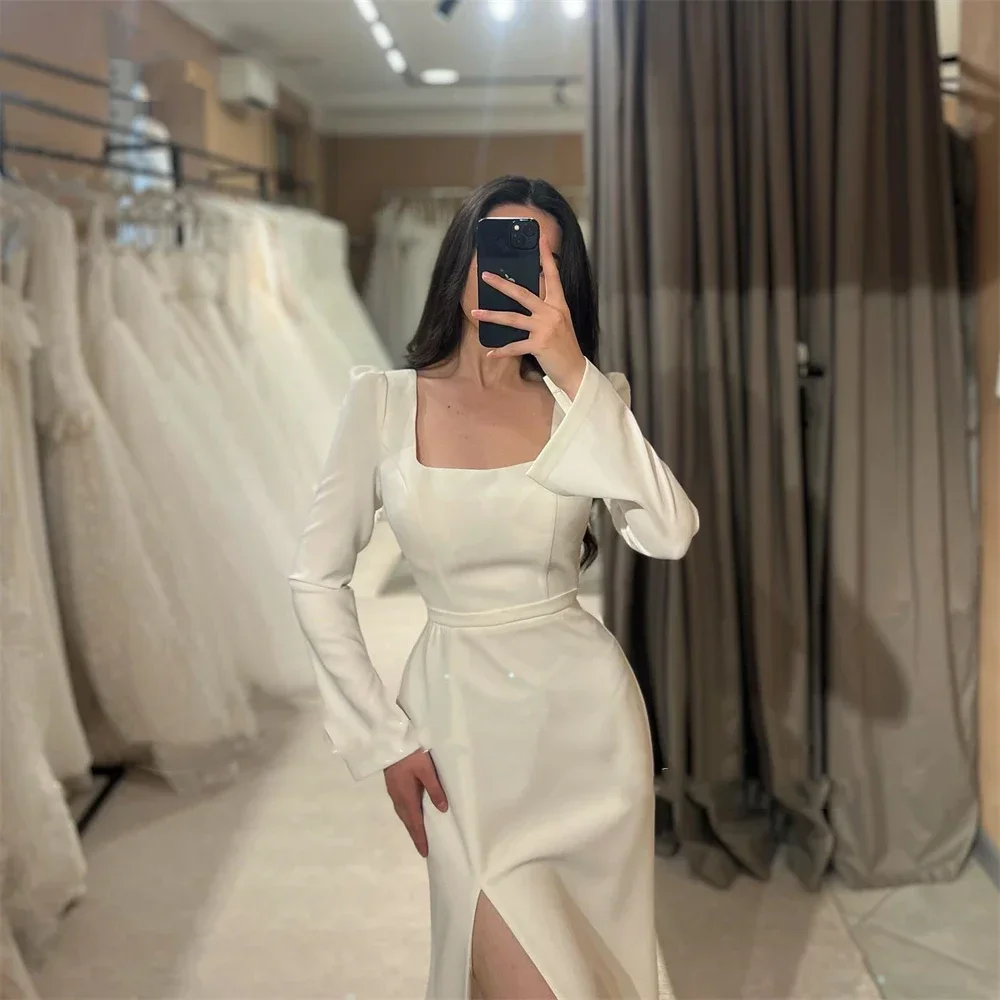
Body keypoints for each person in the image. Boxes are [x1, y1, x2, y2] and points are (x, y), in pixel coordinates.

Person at [289, 176, 699, 1000]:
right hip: (459, 730)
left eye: (539, 260)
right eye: (498, 248)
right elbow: (316, 577)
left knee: (591, 974)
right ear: (459, 262)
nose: (511, 272)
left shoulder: (587, 401)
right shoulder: (382, 403)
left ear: (562, 284)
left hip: (586, 730)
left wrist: (572, 368)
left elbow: (668, 530)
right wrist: (382, 737)